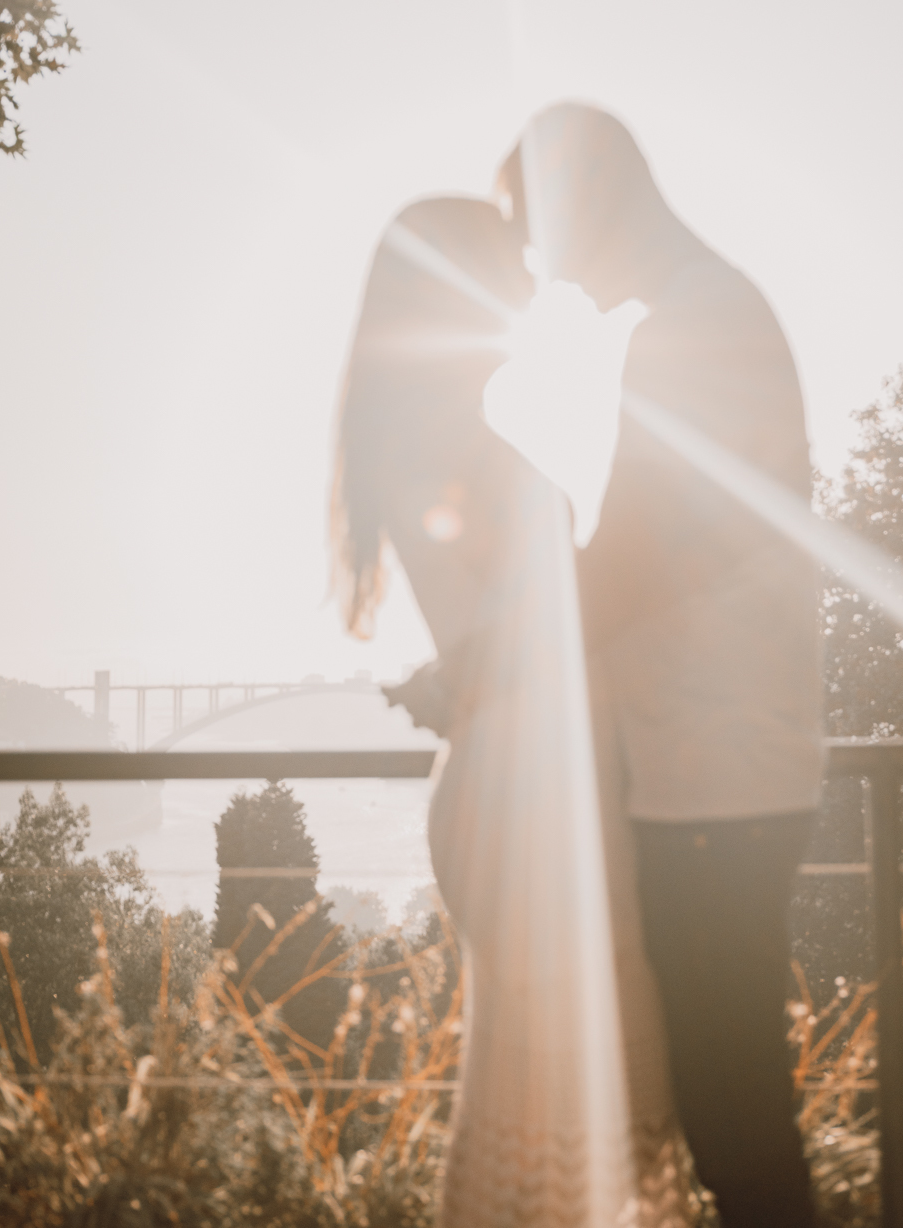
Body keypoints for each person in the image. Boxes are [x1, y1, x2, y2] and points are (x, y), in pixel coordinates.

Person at [331, 194, 691, 1228]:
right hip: (534, 804)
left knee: (561, 1118)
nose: (534, 283)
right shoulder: (440, 445)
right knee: (570, 1120)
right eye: (508, 262)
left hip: (534, 787)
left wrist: (462, 675)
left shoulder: (440, 439)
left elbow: (503, 628)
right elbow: (529, 628)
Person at [500, 102, 824, 1228]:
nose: (540, 268)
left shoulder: (695, 324)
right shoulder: (708, 312)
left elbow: (642, 544)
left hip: (714, 771)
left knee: (734, 1114)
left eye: (537, 233)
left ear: (586, 202)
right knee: (733, 1106)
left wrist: (500, 668)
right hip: (728, 760)